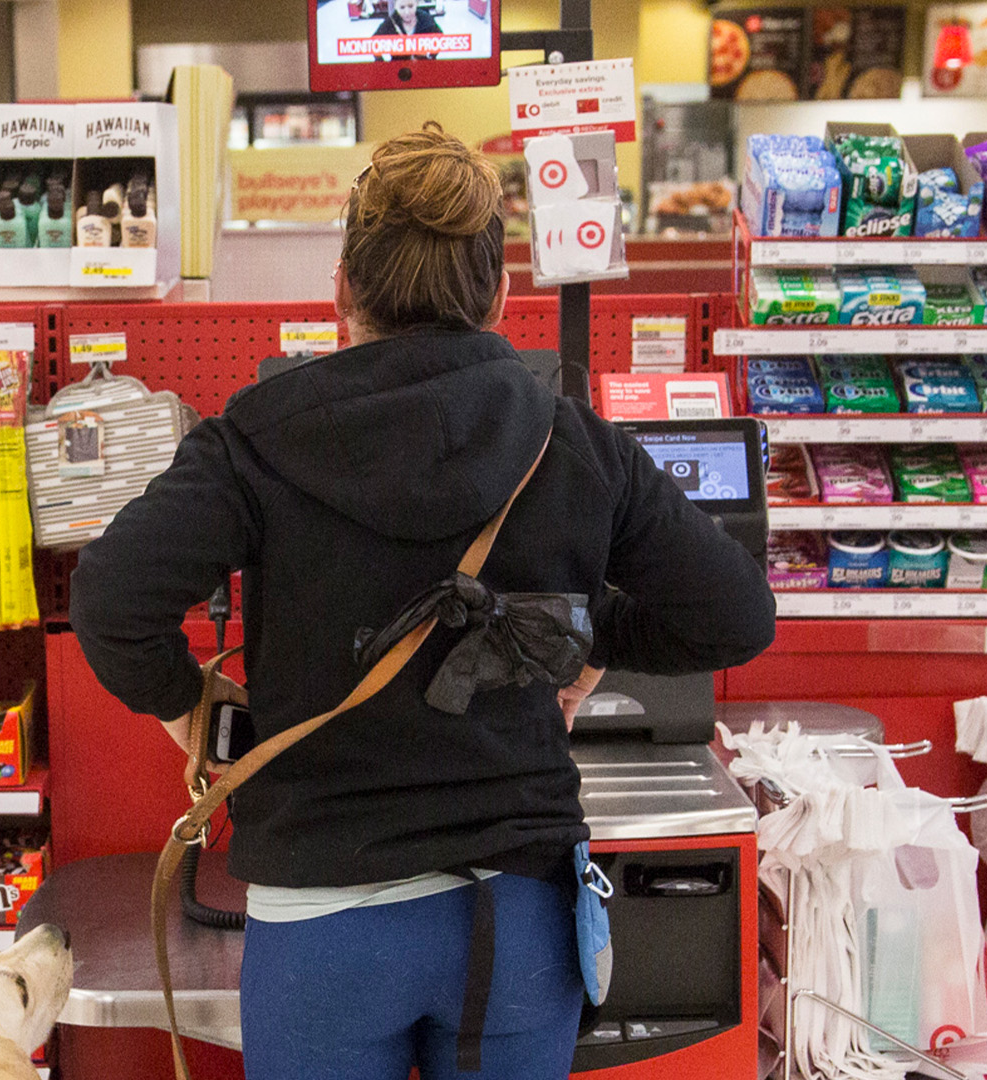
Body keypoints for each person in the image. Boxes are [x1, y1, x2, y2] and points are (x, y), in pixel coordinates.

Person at [69, 123, 775, 1080]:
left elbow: (111, 600)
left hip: (322, 924)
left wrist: (189, 711)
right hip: (516, 920)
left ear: (343, 292)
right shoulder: (572, 440)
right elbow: (733, 616)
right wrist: (576, 637)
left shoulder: (256, 439)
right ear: (500, 296)